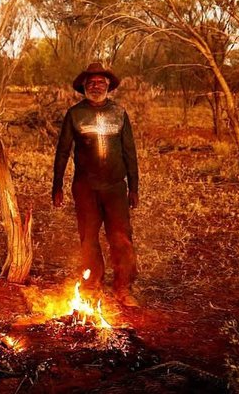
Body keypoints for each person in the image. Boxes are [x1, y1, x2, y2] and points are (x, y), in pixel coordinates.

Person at [52, 62, 140, 307]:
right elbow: (62, 152)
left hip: (115, 187)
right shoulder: (75, 114)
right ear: (83, 86)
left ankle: (123, 287)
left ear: (109, 85)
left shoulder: (120, 113)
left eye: (101, 82)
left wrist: (133, 187)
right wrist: (56, 185)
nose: (96, 85)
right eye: (91, 82)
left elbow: (130, 152)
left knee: (121, 237)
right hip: (85, 187)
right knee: (89, 238)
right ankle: (92, 286)